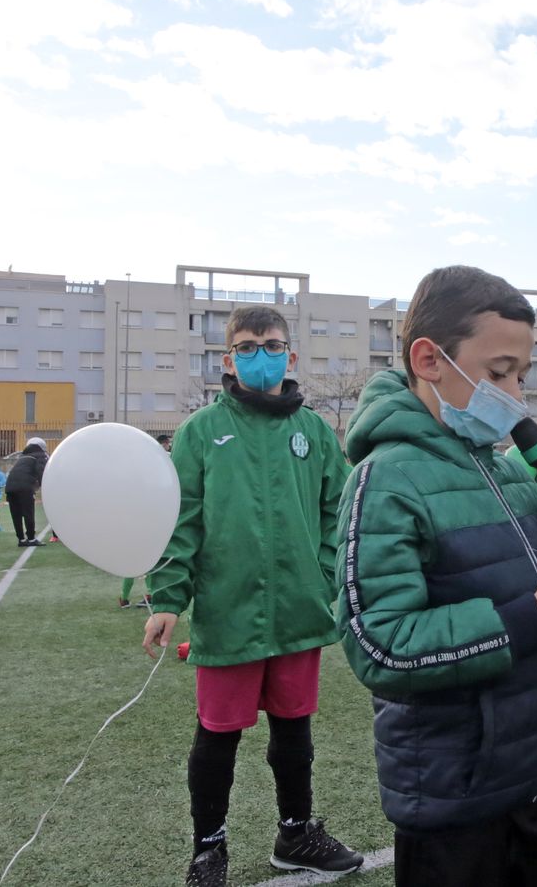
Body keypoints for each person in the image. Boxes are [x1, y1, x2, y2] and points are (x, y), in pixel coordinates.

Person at [335, 266, 537, 887]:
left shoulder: (508, 475)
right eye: (499, 373)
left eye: (521, 376)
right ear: (429, 359)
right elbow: (379, 646)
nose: (515, 394)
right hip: (454, 796)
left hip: (531, 775)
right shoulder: (386, 479)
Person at [141, 306, 362, 886]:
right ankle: (208, 850)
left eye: (270, 344)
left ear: (290, 357)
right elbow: (180, 521)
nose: (258, 354)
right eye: (247, 346)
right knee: (217, 735)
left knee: (295, 730)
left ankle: (296, 833)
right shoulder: (199, 432)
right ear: (227, 359)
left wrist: (320, 575)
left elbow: (338, 510)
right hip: (228, 611)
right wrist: (168, 598)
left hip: (299, 611)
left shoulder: (313, 431)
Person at [6, 438, 48, 546]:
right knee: (28, 512)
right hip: (24, 487)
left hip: (10, 486)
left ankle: (21, 539)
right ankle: (31, 538)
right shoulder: (39, 455)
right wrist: (44, 486)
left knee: (16, 514)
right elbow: (41, 471)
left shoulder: (22, 457)